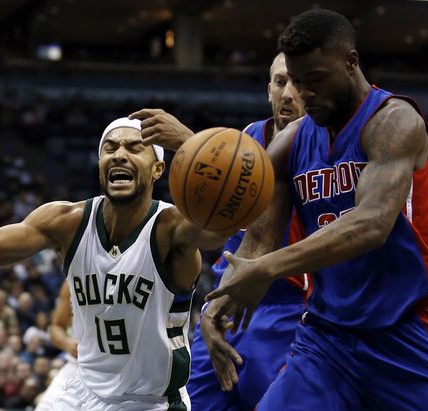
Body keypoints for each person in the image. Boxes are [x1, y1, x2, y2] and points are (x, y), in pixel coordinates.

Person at [206, 9, 428, 410]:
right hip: (327, 339)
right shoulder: (289, 143)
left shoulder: (393, 121)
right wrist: (219, 302)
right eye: (294, 81)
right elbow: (259, 240)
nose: (303, 94)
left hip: (407, 330)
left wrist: (270, 267)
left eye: (314, 80)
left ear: (351, 63)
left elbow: (371, 224)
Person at [0, 117, 235, 410]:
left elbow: (224, 222)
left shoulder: (171, 227)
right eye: (110, 148)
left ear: (158, 168)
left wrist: (191, 144)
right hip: (83, 390)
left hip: (150, 401)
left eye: (135, 148)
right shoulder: (67, 220)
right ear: (101, 163)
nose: (119, 154)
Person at [131, 52, 308, 410]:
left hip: (285, 308)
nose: (287, 93)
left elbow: (255, 184)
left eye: (298, 82)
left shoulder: (313, 146)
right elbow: (238, 185)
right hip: (226, 301)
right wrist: (212, 314)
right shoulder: (250, 136)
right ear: (267, 90)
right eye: (279, 82)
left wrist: (189, 141)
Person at [35, 281, 78, 410]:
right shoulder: (72, 279)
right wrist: (67, 343)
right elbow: (56, 327)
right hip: (76, 366)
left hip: (119, 373)